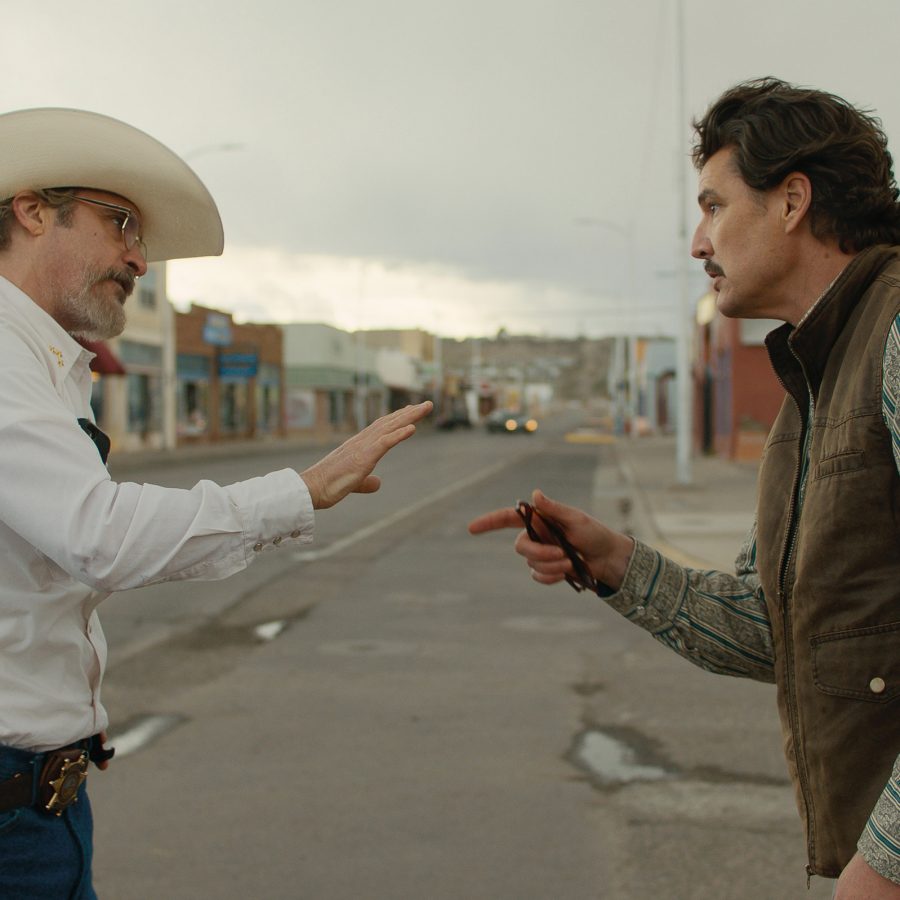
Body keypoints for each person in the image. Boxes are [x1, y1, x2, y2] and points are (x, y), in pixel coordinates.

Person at [470, 78, 900, 897]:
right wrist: (618, 562)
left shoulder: (897, 333)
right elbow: (778, 632)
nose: (699, 243)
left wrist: (886, 862)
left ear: (792, 201)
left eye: (714, 205)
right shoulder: (809, 391)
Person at [0, 107, 432, 899]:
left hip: (41, 803)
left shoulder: (46, 362)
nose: (138, 256)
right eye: (120, 222)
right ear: (32, 211)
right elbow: (100, 536)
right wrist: (299, 491)